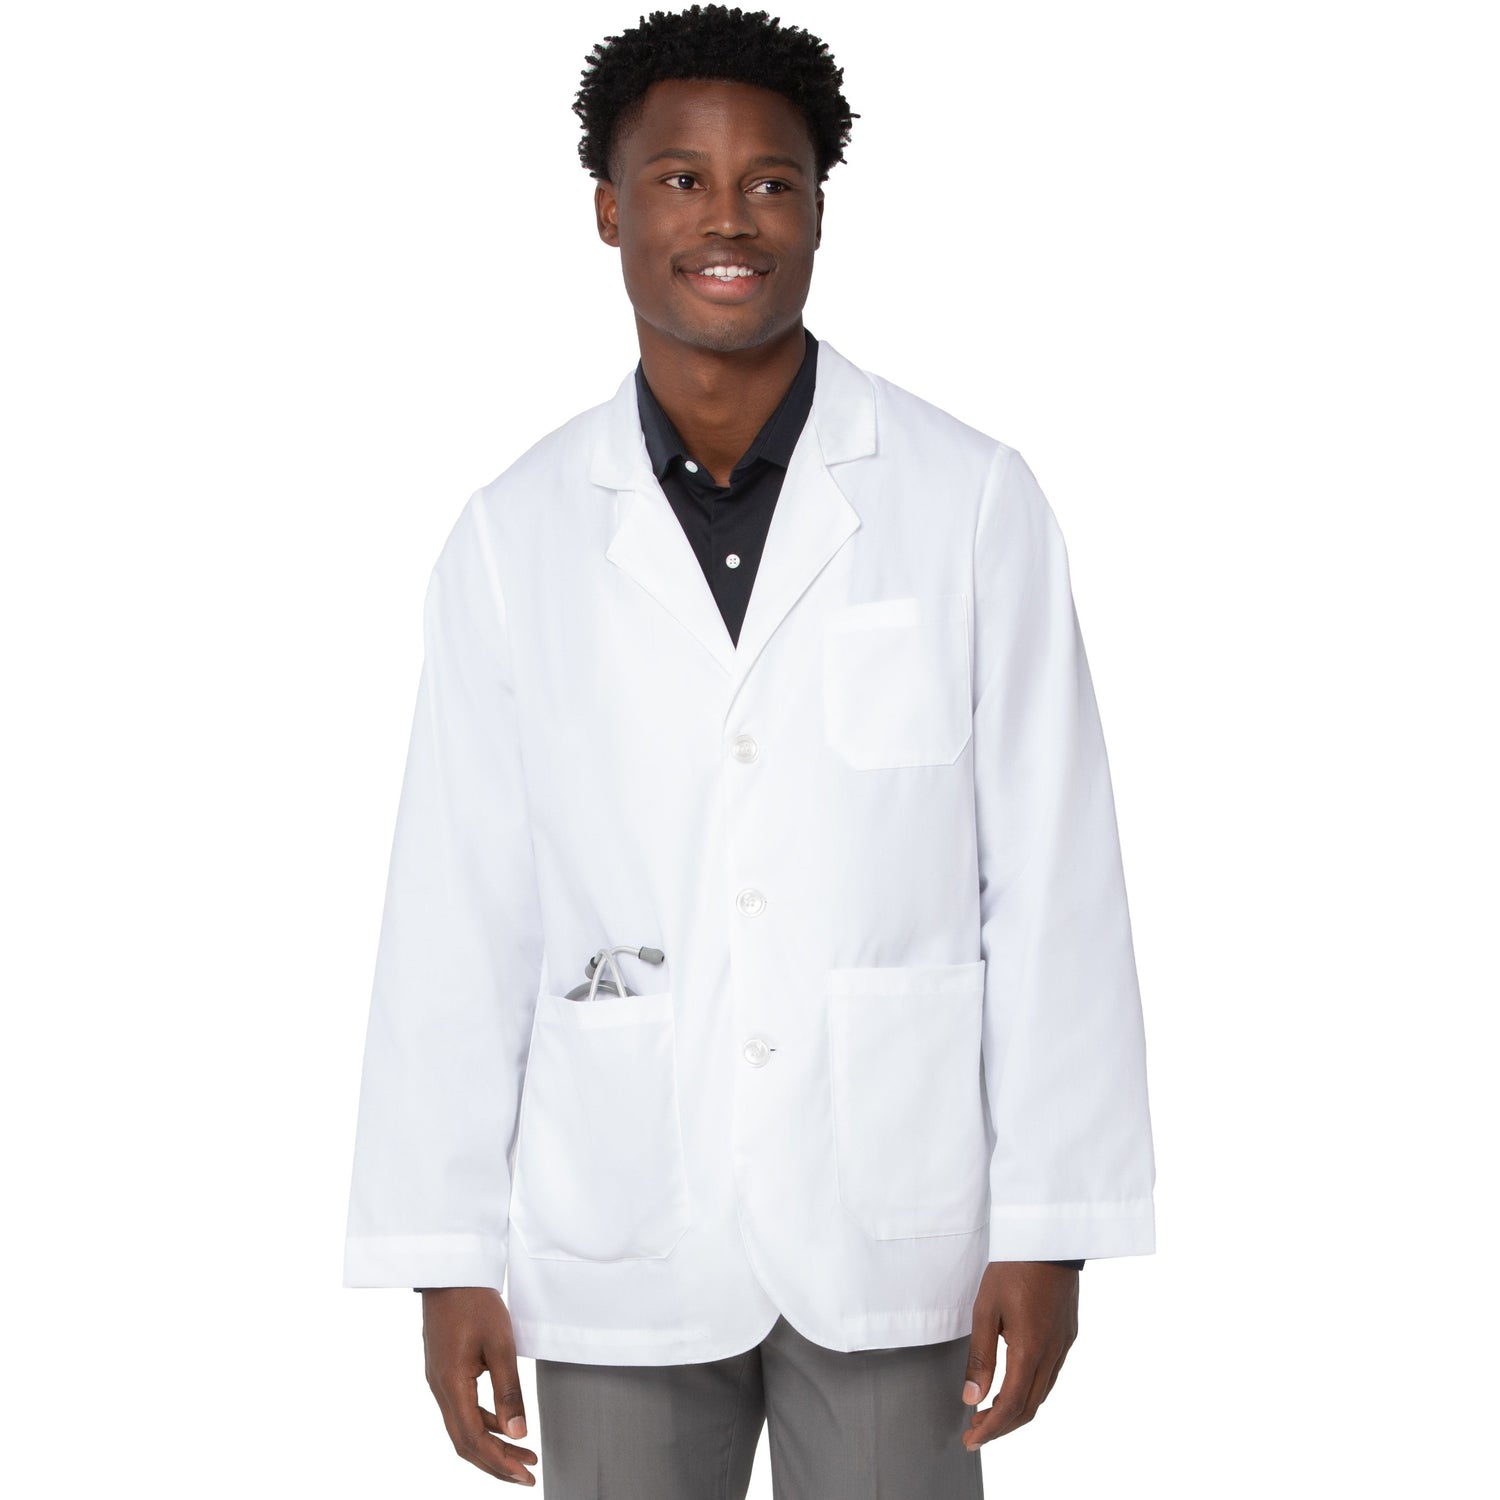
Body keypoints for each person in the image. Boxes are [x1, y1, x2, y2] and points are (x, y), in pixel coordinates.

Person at [342, 5, 1156, 1495]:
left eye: (771, 182)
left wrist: (1053, 1224)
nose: (728, 218)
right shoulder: (515, 536)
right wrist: (444, 1250)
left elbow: (1054, 876)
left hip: (894, 1213)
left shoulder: (969, 500)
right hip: (620, 1211)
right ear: (608, 209)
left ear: (820, 210)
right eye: (680, 179)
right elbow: (457, 902)